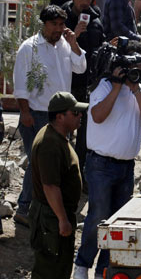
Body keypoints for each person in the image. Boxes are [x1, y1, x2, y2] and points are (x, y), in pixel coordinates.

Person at [73, 40, 141, 279]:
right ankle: (82, 264)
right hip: (101, 165)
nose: (134, 70)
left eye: (138, 66)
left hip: (126, 166)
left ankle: (103, 270)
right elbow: (97, 116)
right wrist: (118, 87)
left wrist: (135, 89)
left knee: (117, 223)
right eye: (131, 65)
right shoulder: (104, 87)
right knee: (98, 217)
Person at [12, 5, 86, 226]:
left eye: (62, 24)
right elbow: (21, 85)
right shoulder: (29, 48)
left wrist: (74, 44)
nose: (59, 28)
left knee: (56, 165)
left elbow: (80, 68)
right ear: (44, 24)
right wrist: (25, 112)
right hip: (37, 114)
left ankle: (45, 209)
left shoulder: (65, 45)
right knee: (39, 164)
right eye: (54, 24)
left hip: (61, 116)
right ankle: (24, 207)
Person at [29, 92, 87, 279]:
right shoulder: (50, 144)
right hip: (51, 218)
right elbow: (50, 186)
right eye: (75, 113)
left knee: (59, 268)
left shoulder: (57, 135)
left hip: (53, 215)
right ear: (60, 117)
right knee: (50, 270)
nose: (80, 116)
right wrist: (62, 219)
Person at [63, 0, 105, 176]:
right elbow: (57, 50)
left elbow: (97, 47)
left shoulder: (95, 19)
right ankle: (63, 173)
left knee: (85, 133)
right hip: (66, 84)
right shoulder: (62, 20)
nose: (85, 3)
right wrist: (75, 35)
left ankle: (79, 174)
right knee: (63, 130)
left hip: (87, 85)